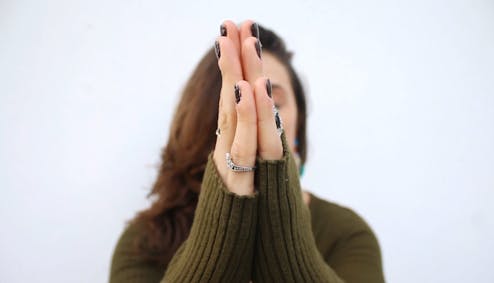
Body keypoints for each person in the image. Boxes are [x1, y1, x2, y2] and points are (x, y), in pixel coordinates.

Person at [110, 20, 385, 283]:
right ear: (207, 119)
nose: (253, 114)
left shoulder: (345, 233)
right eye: (235, 101)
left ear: (299, 124)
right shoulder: (145, 240)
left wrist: (277, 198)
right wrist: (227, 208)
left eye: (272, 101)